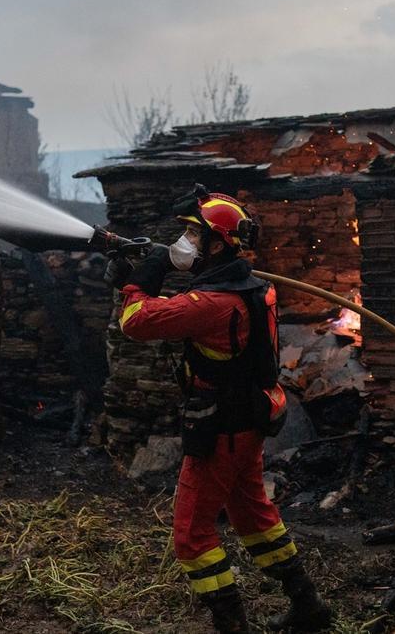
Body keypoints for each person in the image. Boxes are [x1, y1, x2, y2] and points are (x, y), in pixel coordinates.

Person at [106, 185, 332, 633]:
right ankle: (308, 607)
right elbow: (196, 298)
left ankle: (233, 627)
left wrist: (144, 275)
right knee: (254, 515)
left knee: (192, 537)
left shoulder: (213, 303)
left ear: (218, 244)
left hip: (222, 426)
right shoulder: (253, 289)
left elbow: (135, 322)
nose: (184, 243)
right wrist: (169, 262)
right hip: (250, 419)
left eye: (194, 236)